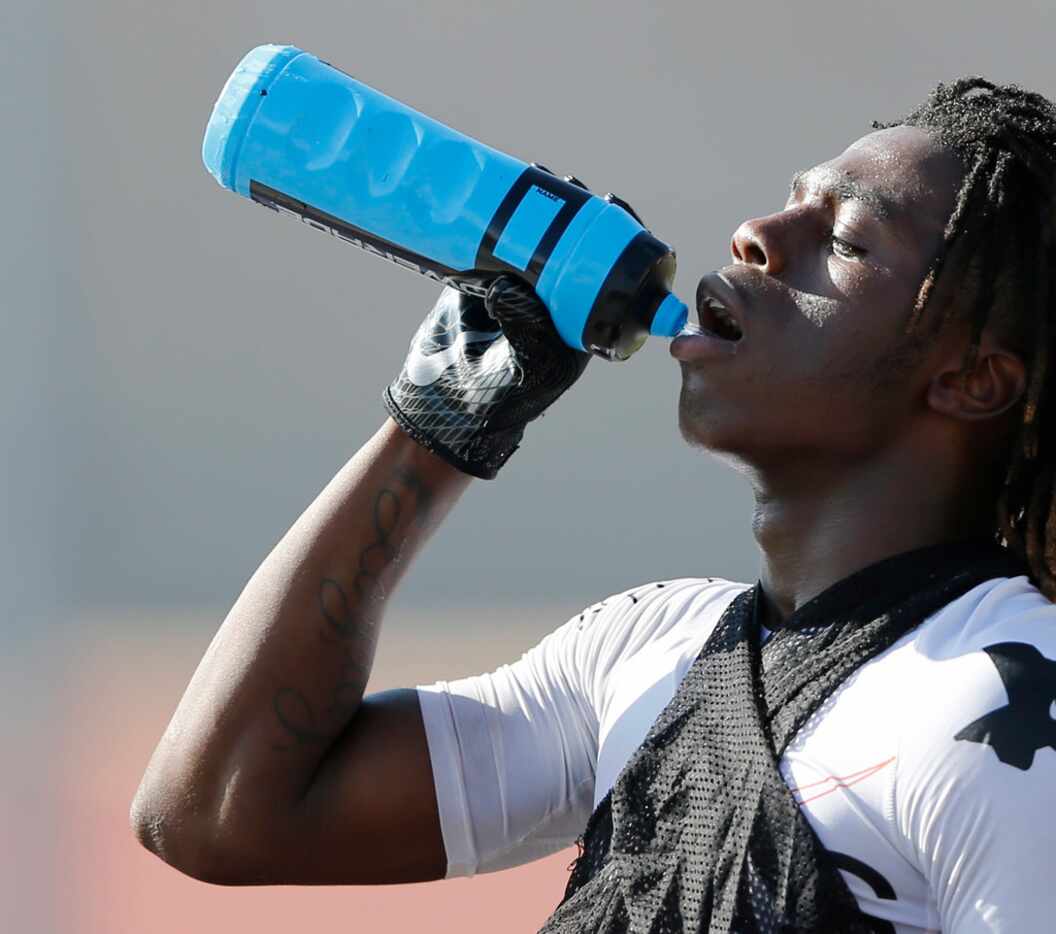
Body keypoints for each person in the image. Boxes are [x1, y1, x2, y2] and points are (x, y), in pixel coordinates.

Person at [131, 78, 1056, 932]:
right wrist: (437, 426)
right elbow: (217, 813)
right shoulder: (651, 651)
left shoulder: (1005, 712)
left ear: (974, 382)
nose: (758, 235)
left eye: (847, 240)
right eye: (790, 199)